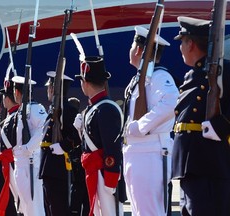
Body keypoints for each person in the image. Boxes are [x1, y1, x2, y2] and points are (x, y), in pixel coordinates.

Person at [171, 16, 230, 216]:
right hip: (189, 165)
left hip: (209, 165)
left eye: (182, 42)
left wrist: (220, 125)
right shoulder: (190, 76)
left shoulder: (223, 70)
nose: (180, 49)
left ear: (191, 44)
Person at [122, 26, 179, 216]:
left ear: (138, 50)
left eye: (132, 45)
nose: (130, 50)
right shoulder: (141, 78)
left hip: (150, 152)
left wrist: (141, 126)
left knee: (150, 212)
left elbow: (171, 102)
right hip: (137, 152)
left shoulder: (159, 76)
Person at [74, 56, 125, 216]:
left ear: (85, 82)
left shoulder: (106, 109)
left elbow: (112, 146)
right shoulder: (94, 108)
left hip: (104, 174)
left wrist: (110, 177)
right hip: (95, 171)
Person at [39, 71, 81, 216]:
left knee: (59, 208)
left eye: (49, 87)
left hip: (58, 167)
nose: (48, 91)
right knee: (50, 206)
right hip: (48, 165)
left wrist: (63, 146)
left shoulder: (68, 110)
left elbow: (77, 134)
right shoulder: (54, 109)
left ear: (53, 88)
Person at [11, 75, 47, 216]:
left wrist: (29, 147)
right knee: (24, 205)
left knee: (33, 204)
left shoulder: (35, 108)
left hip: (30, 162)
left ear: (18, 92)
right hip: (20, 162)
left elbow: (43, 128)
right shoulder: (21, 110)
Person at [0, 81, 19, 216]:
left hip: (15, 163)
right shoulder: (9, 117)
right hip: (6, 164)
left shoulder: (16, 116)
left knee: (21, 201)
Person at [68, 97, 90, 216]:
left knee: (76, 190)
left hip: (76, 160)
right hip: (82, 160)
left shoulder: (77, 120)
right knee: (85, 194)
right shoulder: (82, 117)